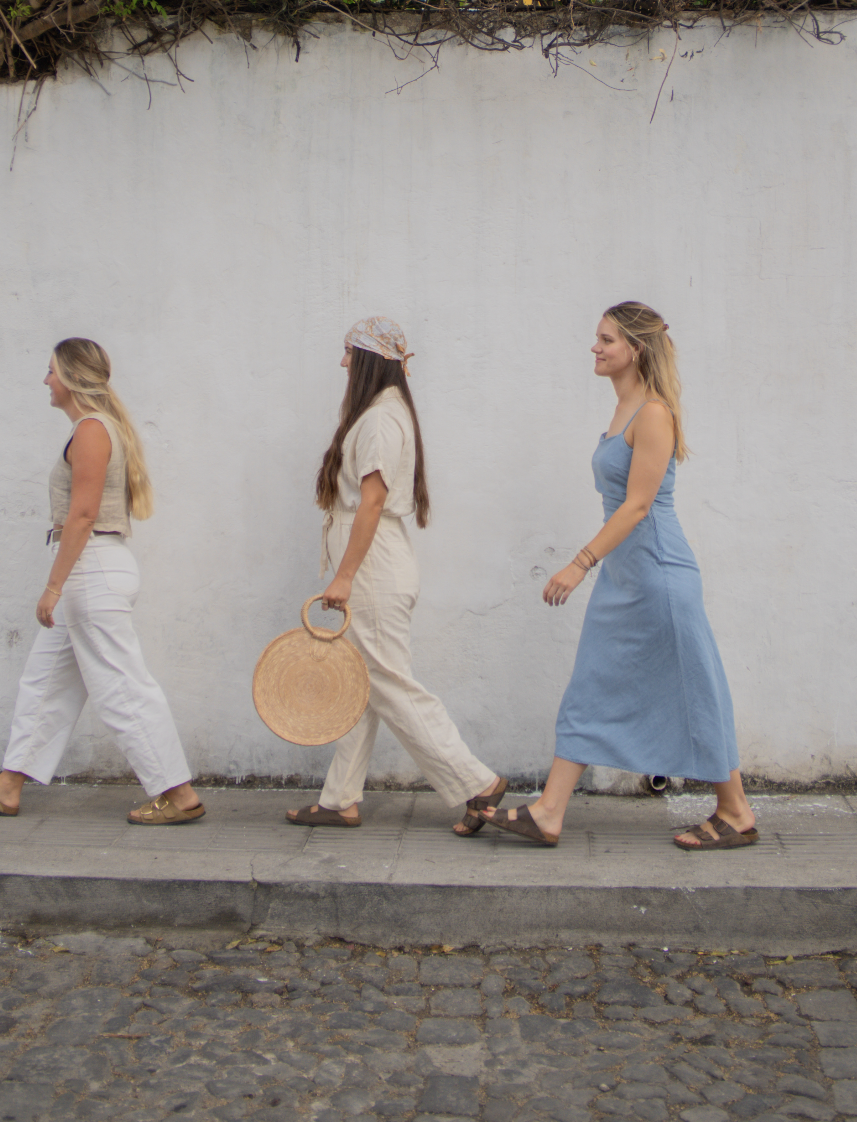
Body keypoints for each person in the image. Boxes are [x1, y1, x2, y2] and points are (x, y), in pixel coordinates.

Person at [480, 301, 758, 852]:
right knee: (592, 682)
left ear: (635, 347)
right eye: (597, 337)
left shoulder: (652, 412)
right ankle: (550, 812)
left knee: (694, 686)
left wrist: (579, 563)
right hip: (626, 576)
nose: (596, 347)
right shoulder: (623, 408)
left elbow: (636, 508)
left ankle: (736, 811)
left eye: (606, 339)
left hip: (658, 573)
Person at [0, 338, 204, 826]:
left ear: (69, 378)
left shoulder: (90, 430)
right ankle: (8, 784)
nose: (44, 380)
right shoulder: (101, 427)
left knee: (122, 687)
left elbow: (82, 515)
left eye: (49, 372)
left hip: (91, 572)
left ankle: (179, 793)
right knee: (44, 682)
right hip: (96, 570)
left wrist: (52, 587)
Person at [286, 317, 506, 835]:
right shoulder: (382, 413)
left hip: (373, 567)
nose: (341, 363)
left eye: (347, 353)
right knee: (364, 682)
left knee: (387, 681)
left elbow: (373, 500)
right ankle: (340, 799)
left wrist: (343, 577)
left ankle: (476, 781)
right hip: (377, 562)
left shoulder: (382, 419)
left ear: (367, 359)